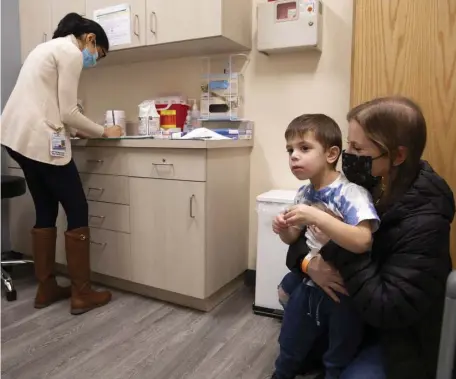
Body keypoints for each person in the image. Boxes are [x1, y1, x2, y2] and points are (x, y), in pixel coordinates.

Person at [283, 97, 454, 379]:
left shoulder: (425, 221)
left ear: (397, 156)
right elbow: (302, 242)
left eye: (358, 148)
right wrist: (308, 264)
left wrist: (335, 240)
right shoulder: (366, 181)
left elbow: (387, 308)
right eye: (349, 144)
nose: (347, 155)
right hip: (357, 294)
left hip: (395, 330)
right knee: (292, 285)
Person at [0, 13, 123, 315]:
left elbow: (48, 105)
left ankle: (46, 288)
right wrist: (103, 130)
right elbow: (67, 111)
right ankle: (82, 293)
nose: (95, 60)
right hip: (40, 140)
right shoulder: (70, 51)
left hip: (16, 139)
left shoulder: (44, 48)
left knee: (46, 207)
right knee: (77, 208)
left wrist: (74, 127)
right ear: (90, 39)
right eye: (98, 54)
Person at [271, 114, 380, 379]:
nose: (293, 156)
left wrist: (317, 217)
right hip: (310, 285)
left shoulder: (351, 193)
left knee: (339, 353)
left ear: (331, 154)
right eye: (290, 150)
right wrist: (284, 229)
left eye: (304, 148)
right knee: (290, 340)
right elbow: (293, 239)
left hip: (344, 290)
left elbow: (364, 240)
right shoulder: (303, 194)